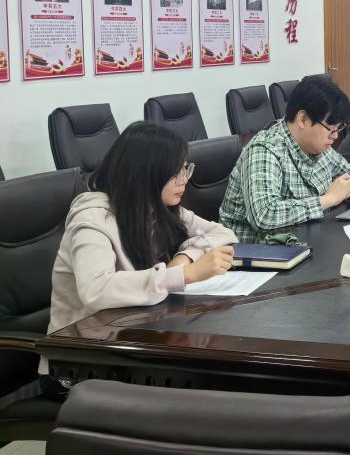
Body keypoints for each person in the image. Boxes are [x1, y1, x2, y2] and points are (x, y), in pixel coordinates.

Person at [43, 123, 237, 376]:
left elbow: (222, 234)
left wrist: (184, 257)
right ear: (146, 174)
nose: (184, 180)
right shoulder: (93, 220)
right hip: (82, 359)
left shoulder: (159, 207)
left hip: (136, 337)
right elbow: (96, 290)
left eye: (185, 169)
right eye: (174, 173)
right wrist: (184, 275)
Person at [220, 76, 350, 243]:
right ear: (303, 119)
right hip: (257, 251)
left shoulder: (320, 146)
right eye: (331, 129)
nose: (335, 137)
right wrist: (329, 199)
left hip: (306, 238)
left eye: (338, 129)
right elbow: (264, 216)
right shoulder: (265, 149)